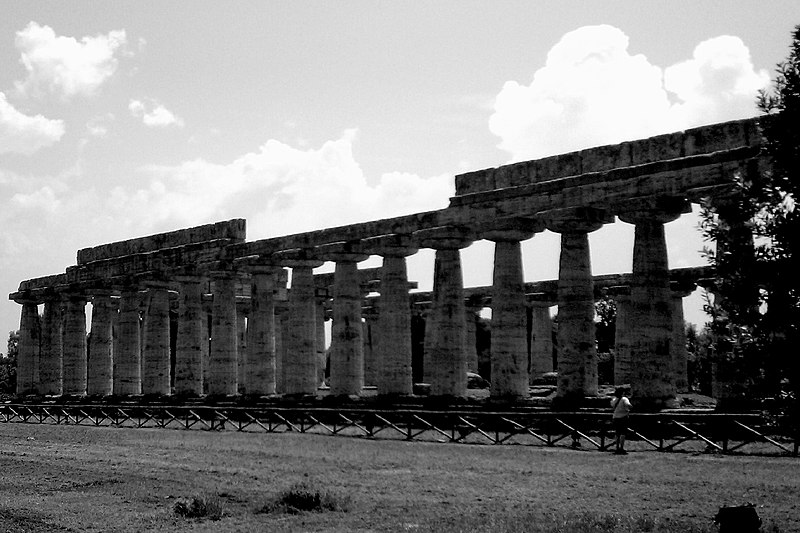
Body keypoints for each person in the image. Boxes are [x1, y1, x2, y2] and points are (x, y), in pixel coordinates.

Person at [610, 387, 632, 455]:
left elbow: (612, 405)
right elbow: (628, 405)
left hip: (615, 418)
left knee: (617, 433)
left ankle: (617, 448)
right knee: (623, 433)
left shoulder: (614, 399)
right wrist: (630, 407)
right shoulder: (624, 399)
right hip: (623, 418)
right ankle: (621, 448)